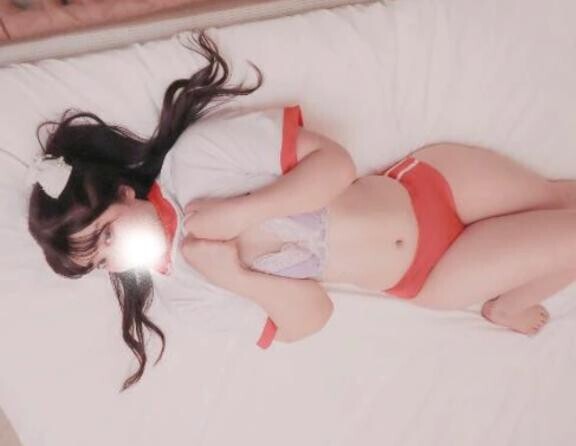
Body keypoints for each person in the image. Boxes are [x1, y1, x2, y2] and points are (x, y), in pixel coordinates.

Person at [26, 30, 576, 392]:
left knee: (563, 198)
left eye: (106, 236)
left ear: (123, 193)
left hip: (431, 182)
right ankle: (507, 305)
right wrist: (234, 273)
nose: (116, 259)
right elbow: (313, 317)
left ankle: (516, 296)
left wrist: (241, 213)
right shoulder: (187, 295)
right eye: (101, 262)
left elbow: (336, 165)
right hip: (433, 269)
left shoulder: (194, 160)